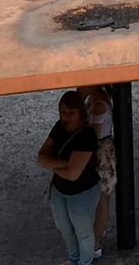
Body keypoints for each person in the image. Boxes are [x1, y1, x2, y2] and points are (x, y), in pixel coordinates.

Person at [37, 90, 99, 265]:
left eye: (71, 112)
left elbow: (73, 174)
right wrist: (64, 164)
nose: (66, 116)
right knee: (65, 229)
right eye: (63, 112)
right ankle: (74, 260)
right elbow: (40, 156)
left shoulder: (86, 135)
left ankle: (85, 263)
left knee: (83, 232)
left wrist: (52, 165)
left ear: (80, 111)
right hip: (60, 190)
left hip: (82, 192)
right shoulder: (59, 127)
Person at [79, 85, 117, 252]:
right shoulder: (94, 100)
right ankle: (96, 238)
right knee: (102, 198)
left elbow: (91, 136)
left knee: (101, 200)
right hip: (103, 151)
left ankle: (94, 244)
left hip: (99, 153)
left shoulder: (98, 105)